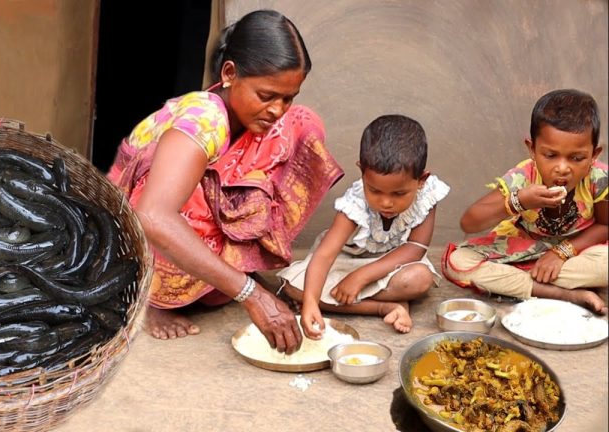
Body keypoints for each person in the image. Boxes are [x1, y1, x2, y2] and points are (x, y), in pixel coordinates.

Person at [107, 10, 343, 353]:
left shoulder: (258, 117)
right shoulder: (205, 119)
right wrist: (251, 295)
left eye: (287, 97)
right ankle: (150, 297)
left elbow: (286, 124)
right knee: (186, 202)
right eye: (267, 96)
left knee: (301, 126)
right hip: (128, 237)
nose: (277, 109)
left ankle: (231, 269)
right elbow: (152, 217)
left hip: (174, 213)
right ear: (230, 74)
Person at [277, 115, 450, 336]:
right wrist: (311, 303)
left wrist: (361, 278)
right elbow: (324, 256)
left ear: (421, 180)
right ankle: (386, 306)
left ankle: (347, 300)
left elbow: (415, 248)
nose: (385, 202)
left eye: (399, 193)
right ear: (362, 172)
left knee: (419, 279)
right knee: (295, 287)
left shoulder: (427, 194)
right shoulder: (355, 204)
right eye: (375, 190)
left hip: (394, 265)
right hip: (346, 261)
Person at [442, 89, 608, 314]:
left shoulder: (598, 178)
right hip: (525, 248)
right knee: (459, 263)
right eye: (550, 156)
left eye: (577, 158)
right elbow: (469, 223)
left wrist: (561, 253)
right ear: (532, 149)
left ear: (594, 155)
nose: (562, 167)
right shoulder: (524, 176)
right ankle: (564, 293)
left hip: (577, 252)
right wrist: (519, 201)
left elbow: (604, 226)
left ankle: (523, 282)